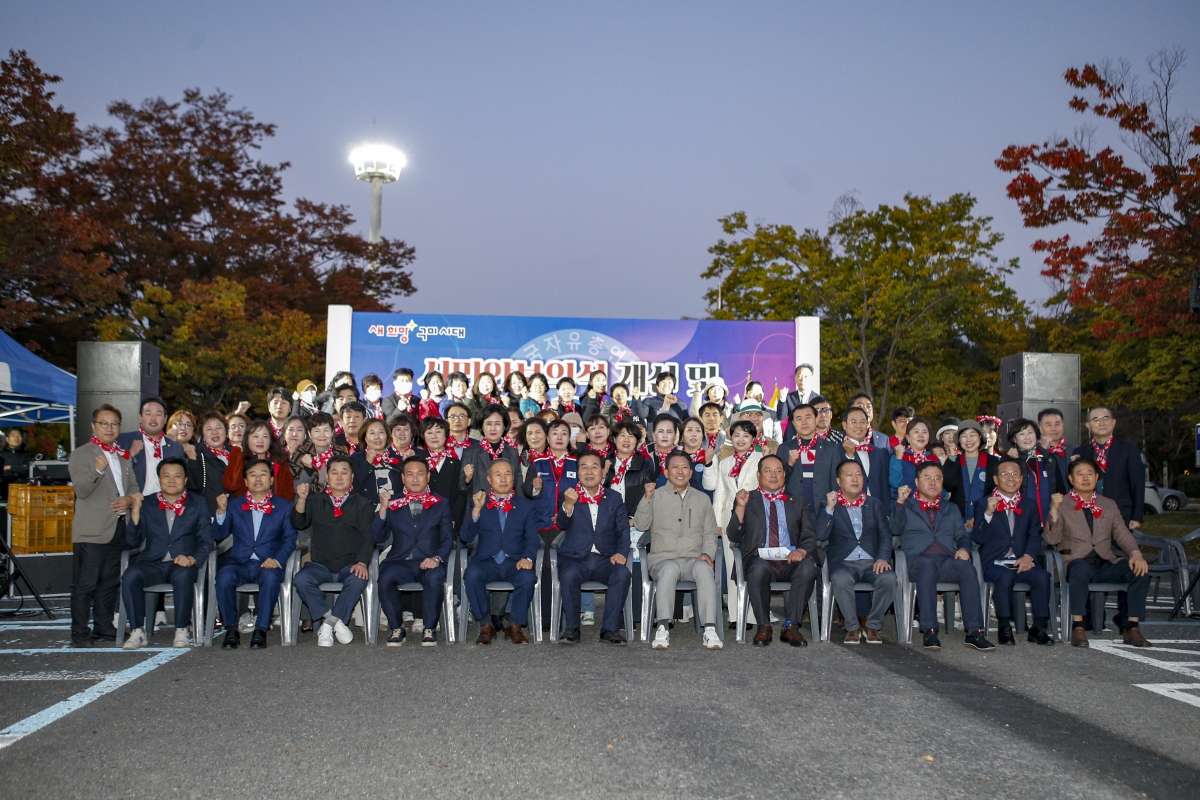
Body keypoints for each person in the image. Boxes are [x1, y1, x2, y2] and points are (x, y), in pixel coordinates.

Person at [1045, 457, 1151, 647]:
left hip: (1104, 561)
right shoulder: (1063, 503)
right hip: (1074, 561)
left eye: (1090, 474)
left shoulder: (1108, 504)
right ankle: (1078, 626)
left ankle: (1132, 627)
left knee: (1138, 570)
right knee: (1080, 569)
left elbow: (1122, 533)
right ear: (1070, 478)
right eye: (1080, 474)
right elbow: (1052, 540)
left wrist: (1135, 553)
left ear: (1096, 478)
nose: (1085, 478)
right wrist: (1053, 511)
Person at [891, 462, 995, 651]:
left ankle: (974, 631)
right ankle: (930, 629)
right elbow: (895, 529)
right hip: (916, 561)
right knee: (926, 565)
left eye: (938, 478)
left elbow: (962, 535)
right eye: (928, 478)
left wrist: (964, 548)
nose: (933, 482)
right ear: (916, 481)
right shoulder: (907, 505)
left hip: (945, 560)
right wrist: (899, 503)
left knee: (966, 567)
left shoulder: (951, 508)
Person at [120, 457, 213, 649]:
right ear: (159, 479)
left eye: (177, 476)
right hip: (153, 561)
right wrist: (135, 514)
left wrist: (192, 558)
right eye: (166, 476)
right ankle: (137, 631)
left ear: (185, 479)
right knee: (131, 575)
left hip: (183, 562)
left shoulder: (198, 503)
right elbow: (133, 542)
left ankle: (181, 630)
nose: (172, 480)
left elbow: (206, 539)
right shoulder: (148, 503)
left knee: (182, 576)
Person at [726, 454, 819, 647]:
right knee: (758, 567)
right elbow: (734, 536)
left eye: (778, 471)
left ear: (785, 474)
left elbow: (809, 535)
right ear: (759, 475)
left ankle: (791, 626)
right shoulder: (747, 499)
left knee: (808, 567)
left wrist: (802, 550)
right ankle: (763, 625)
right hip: (759, 560)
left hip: (789, 559)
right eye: (768, 471)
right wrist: (740, 509)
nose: (773, 475)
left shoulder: (797, 501)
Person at [634, 453, 722, 650]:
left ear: (691, 473)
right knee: (670, 569)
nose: (680, 471)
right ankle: (663, 626)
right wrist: (647, 498)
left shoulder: (702, 499)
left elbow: (710, 532)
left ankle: (709, 628)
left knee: (704, 569)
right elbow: (640, 524)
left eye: (684, 468)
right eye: (675, 467)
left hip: (693, 559)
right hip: (663, 560)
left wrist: (708, 553)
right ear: (666, 472)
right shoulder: (655, 495)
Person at [68, 405, 138, 648]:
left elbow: (133, 487)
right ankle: (79, 632)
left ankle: (104, 627)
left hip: (118, 527)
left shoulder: (122, 455)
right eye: (104, 423)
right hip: (92, 530)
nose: (110, 428)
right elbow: (82, 491)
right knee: (86, 584)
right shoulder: (81, 454)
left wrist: (130, 500)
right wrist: (98, 469)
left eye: (115, 424)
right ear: (93, 426)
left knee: (110, 582)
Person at [213, 457, 298, 649]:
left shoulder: (285, 506)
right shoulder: (234, 505)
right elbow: (219, 534)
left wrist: (277, 560)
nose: (258, 479)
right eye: (252, 475)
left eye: (263, 474)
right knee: (224, 577)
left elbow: (290, 539)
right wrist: (221, 512)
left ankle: (261, 630)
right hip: (239, 562)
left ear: (271, 480)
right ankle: (231, 629)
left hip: (268, 562)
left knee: (269, 578)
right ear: (245, 481)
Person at [290, 458, 375, 647]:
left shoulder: (362, 503)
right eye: (334, 472)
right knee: (302, 580)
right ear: (326, 476)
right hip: (321, 564)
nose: (339, 476)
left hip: (349, 564)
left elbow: (368, 537)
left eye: (344, 472)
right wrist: (302, 500)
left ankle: (327, 626)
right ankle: (333, 620)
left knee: (358, 579)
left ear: (352, 477)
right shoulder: (315, 499)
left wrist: (361, 562)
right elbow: (299, 522)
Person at [971, 456, 1054, 646]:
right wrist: (988, 514)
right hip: (993, 562)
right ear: (996, 479)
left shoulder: (1029, 505)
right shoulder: (984, 503)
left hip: (1020, 560)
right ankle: (1004, 626)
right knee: (1004, 577)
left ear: (1022, 479)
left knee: (1042, 576)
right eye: (1005, 474)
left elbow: (1035, 535)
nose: (1010, 478)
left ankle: (1039, 627)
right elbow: (978, 537)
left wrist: (1028, 556)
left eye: (1015, 474)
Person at [460, 459, 542, 645]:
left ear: (514, 478)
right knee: (471, 574)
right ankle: (485, 624)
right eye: (498, 474)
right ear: (489, 479)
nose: (503, 479)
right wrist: (476, 512)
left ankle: (515, 625)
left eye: (507, 474)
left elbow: (532, 538)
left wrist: (528, 557)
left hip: (514, 561)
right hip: (487, 561)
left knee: (527, 577)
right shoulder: (479, 501)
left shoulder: (526, 505)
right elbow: (465, 536)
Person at [374, 457, 453, 646]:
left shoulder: (441, 503)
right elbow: (378, 537)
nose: (415, 479)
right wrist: (383, 510)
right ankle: (396, 628)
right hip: (400, 561)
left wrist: (436, 558)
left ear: (428, 476)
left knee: (434, 578)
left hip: (429, 561)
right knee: (384, 577)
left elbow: (448, 538)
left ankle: (429, 627)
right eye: (410, 474)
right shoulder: (392, 502)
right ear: (402, 478)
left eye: (420, 474)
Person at [555, 452, 632, 645]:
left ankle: (610, 629)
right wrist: (568, 505)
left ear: (603, 472)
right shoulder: (569, 493)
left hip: (605, 559)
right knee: (569, 575)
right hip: (575, 558)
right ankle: (572, 629)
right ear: (578, 472)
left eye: (594, 466)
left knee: (622, 574)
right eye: (584, 467)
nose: (589, 471)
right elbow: (562, 524)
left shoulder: (614, 498)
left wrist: (621, 553)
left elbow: (623, 530)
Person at [817, 459, 896, 645]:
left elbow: (886, 535)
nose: (855, 479)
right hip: (843, 562)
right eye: (849, 474)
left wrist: (883, 557)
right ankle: (852, 627)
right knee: (841, 579)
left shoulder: (874, 504)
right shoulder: (830, 504)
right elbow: (820, 535)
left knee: (889, 578)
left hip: (871, 561)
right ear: (839, 481)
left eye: (858, 474)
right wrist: (829, 508)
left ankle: (873, 625)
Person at [523, 419, 581, 623]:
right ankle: (546, 618)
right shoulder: (537, 463)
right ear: (547, 438)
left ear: (569, 438)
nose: (559, 437)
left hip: (568, 528)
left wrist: (566, 512)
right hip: (542, 527)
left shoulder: (576, 463)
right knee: (545, 573)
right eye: (555, 433)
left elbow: (583, 494)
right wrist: (536, 487)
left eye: (564, 434)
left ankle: (568, 619)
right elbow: (527, 492)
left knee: (566, 572)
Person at [705, 420, 762, 603]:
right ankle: (735, 614)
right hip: (729, 517)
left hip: (755, 517)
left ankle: (754, 614)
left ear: (753, 438)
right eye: (736, 434)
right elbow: (720, 494)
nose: (740, 439)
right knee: (732, 564)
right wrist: (718, 524)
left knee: (753, 563)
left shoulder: (761, 460)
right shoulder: (725, 463)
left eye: (746, 435)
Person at [1074, 406, 1144, 527]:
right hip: (1088, 515)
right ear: (1087, 425)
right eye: (1096, 419)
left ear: (1113, 422)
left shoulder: (1128, 449)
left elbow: (1138, 483)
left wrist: (1137, 516)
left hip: (1121, 514)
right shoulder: (1081, 452)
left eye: (1105, 418)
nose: (1101, 423)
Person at [813, 406, 892, 506]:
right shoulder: (834, 450)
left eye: (862, 422)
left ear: (868, 425)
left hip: (876, 510)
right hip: (847, 510)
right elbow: (833, 481)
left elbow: (885, 487)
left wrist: (886, 513)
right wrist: (849, 457)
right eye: (853, 422)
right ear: (844, 425)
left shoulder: (879, 452)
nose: (858, 426)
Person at [117, 396, 185, 498]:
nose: (153, 418)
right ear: (140, 417)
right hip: (134, 504)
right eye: (148, 414)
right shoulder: (124, 440)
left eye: (158, 414)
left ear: (165, 419)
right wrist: (130, 454)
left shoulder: (176, 448)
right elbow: (115, 472)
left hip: (164, 505)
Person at [1005, 417, 1065, 527]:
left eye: (1030, 432)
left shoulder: (1048, 459)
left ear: (1036, 435)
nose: (1027, 437)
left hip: (1049, 520)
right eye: (1021, 434)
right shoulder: (1010, 461)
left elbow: (1060, 489)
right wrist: (1012, 460)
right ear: (1014, 439)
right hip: (1021, 522)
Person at [416, 417, 467, 533]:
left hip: (449, 521)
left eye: (438, 431)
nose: (434, 436)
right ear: (423, 436)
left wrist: (453, 518)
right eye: (429, 432)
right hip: (422, 521)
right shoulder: (417, 461)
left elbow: (460, 494)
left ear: (446, 435)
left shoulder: (456, 462)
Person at [223, 419, 295, 501]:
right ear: (246, 440)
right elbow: (231, 485)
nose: (260, 441)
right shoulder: (240, 461)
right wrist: (237, 453)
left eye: (265, 436)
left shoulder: (279, 461)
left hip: (275, 511)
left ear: (270, 440)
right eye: (255, 436)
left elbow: (288, 493)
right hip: (246, 511)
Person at [460, 404, 522, 495]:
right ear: (482, 426)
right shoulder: (470, 452)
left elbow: (518, 485)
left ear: (504, 426)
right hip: (480, 506)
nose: (493, 428)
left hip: (508, 506)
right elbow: (461, 488)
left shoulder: (512, 452)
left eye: (497, 424)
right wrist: (467, 479)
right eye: (488, 424)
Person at [943, 419, 994, 524]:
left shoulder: (992, 462)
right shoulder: (955, 461)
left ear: (980, 437)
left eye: (972, 435)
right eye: (964, 436)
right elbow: (948, 485)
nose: (968, 439)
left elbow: (995, 491)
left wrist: (981, 514)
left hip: (984, 519)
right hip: (958, 520)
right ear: (959, 440)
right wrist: (952, 457)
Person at [779, 404, 828, 509]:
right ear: (793, 423)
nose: (804, 422)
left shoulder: (831, 449)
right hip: (793, 510)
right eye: (799, 418)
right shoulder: (784, 448)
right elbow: (778, 482)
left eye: (808, 417)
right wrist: (789, 464)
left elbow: (835, 484)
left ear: (816, 419)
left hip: (823, 510)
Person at [185, 411, 231, 514]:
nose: (214, 432)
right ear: (203, 435)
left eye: (218, 428)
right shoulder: (196, 454)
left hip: (235, 514)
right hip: (209, 514)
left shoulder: (235, 453)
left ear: (226, 431)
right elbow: (193, 486)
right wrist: (193, 460)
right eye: (209, 429)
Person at [350, 418, 400, 501]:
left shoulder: (396, 458)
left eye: (381, 432)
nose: (377, 437)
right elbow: (354, 486)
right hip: (368, 510)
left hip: (395, 508)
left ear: (387, 435)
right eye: (372, 433)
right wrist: (367, 463)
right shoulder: (356, 459)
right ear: (365, 438)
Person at [296, 412, 346, 493]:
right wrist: (308, 469)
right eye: (317, 431)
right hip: (310, 501)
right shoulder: (300, 454)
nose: (322, 435)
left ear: (332, 432)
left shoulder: (340, 452)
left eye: (326, 430)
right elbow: (297, 487)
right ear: (309, 433)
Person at [889, 416, 938, 494]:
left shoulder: (933, 459)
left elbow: (940, 486)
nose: (921, 435)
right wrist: (898, 459)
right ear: (907, 437)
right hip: (904, 503)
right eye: (916, 431)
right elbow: (895, 483)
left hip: (930, 504)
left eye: (924, 432)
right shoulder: (899, 456)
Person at [776, 364, 817, 439]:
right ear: (795, 378)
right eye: (799, 376)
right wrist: (782, 399)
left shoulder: (818, 399)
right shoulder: (788, 397)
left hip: (813, 437)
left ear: (811, 378)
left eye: (806, 376)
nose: (802, 379)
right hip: (792, 438)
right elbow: (781, 417)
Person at [1038, 407, 1074, 482]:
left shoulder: (1075, 450)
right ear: (1040, 428)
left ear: (1063, 426)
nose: (1054, 428)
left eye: (1057, 424)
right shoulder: (1034, 452)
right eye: (1049, 425)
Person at [1, 428, 32, 499]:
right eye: (13, 435)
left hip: (24, 491)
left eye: (19, 436)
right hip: (5, 490)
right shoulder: (2, 454)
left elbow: (27, 470)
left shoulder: (27, 455)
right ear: (7, 439)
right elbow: (2, 472)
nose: (16, 438)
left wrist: (9, 467)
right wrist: (19, 469)